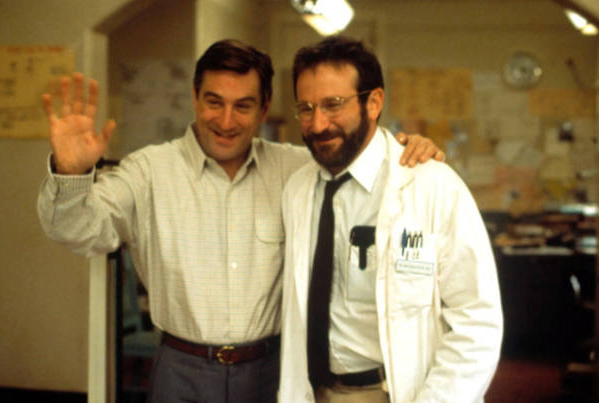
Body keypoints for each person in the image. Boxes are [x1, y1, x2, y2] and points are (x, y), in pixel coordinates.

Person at [37, 39, 442, 403]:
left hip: (271, 373)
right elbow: (80, 231)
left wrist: (407, 149)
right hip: (181, 370)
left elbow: (356, 155)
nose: (226, 121)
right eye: (214, 102)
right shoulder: (149, 171)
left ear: (263, 108)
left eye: (243, 106)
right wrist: (71, 173)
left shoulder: (297, 170)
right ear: (195, 97)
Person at [278, 36, 503, 403]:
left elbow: (476, 319)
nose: (318, 124)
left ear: (374, 102)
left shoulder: (432, 186)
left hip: (396, 393)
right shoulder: (297, 189)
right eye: (306, 108)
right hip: (313, 392)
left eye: (333, 105)